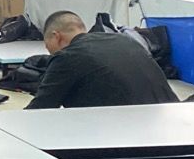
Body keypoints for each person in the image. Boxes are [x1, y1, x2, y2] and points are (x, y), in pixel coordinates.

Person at [28, 11, 178, 109]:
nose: (49, 51)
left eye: (47, 45)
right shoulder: (125, 40)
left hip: (128, 135)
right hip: (172, 119)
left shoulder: (67, 57)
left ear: (56, 36)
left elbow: (40, 108)